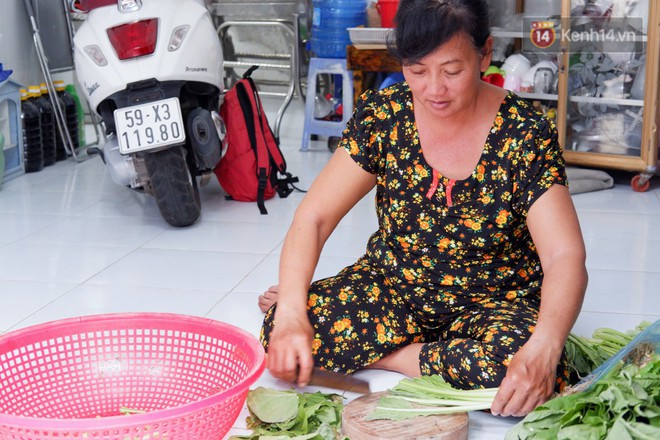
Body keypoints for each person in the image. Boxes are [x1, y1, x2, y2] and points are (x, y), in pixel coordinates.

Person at [258, 0, 588, 417]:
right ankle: (435, 357)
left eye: (452, 71)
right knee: (281, 334)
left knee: (516, 368)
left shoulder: (524, 131)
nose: (434, 89)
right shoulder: (386, 115)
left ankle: (394, 356)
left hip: (494, 302)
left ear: (485, 53)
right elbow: (315, 216)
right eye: (417, 70)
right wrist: (290, 311)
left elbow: (565, 255)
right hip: (396, 286)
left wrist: (544, 345)